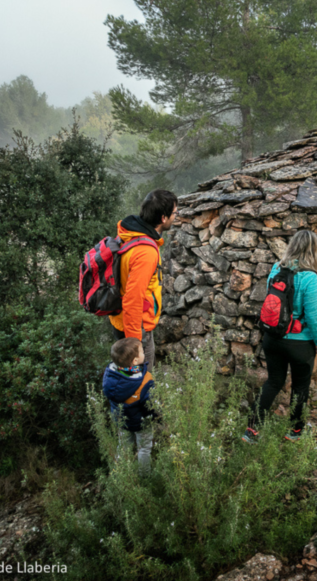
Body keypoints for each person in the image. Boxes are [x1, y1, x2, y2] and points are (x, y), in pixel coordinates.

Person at [243, 229, 317, 444]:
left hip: (273, 338)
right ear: (313, 250)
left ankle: (252, 430)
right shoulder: (309, 277)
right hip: (300, 343)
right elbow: (314, 317)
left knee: (273, 381)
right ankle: (295, 431)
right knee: (300, 387)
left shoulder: (276, 269)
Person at [109, 189, 177, 368]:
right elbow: (133, 298)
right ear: (163, 218)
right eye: (175, 213)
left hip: (120, 319)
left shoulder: (129, 234)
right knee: (141, 383)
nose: (176, 217)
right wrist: (135, 344)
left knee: (127, 378)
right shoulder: (145, 252)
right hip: (136, 327)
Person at [102, 337, 157, 473]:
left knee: (124, 446)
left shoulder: (110, 375)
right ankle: (144, 476)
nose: (144, 353)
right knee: (143, 448)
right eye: (142, 351)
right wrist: (157, 417)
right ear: (135, 361)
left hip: (121, 420)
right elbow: (149, 406)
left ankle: (121, 472)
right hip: (141, 423)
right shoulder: (145, 381)